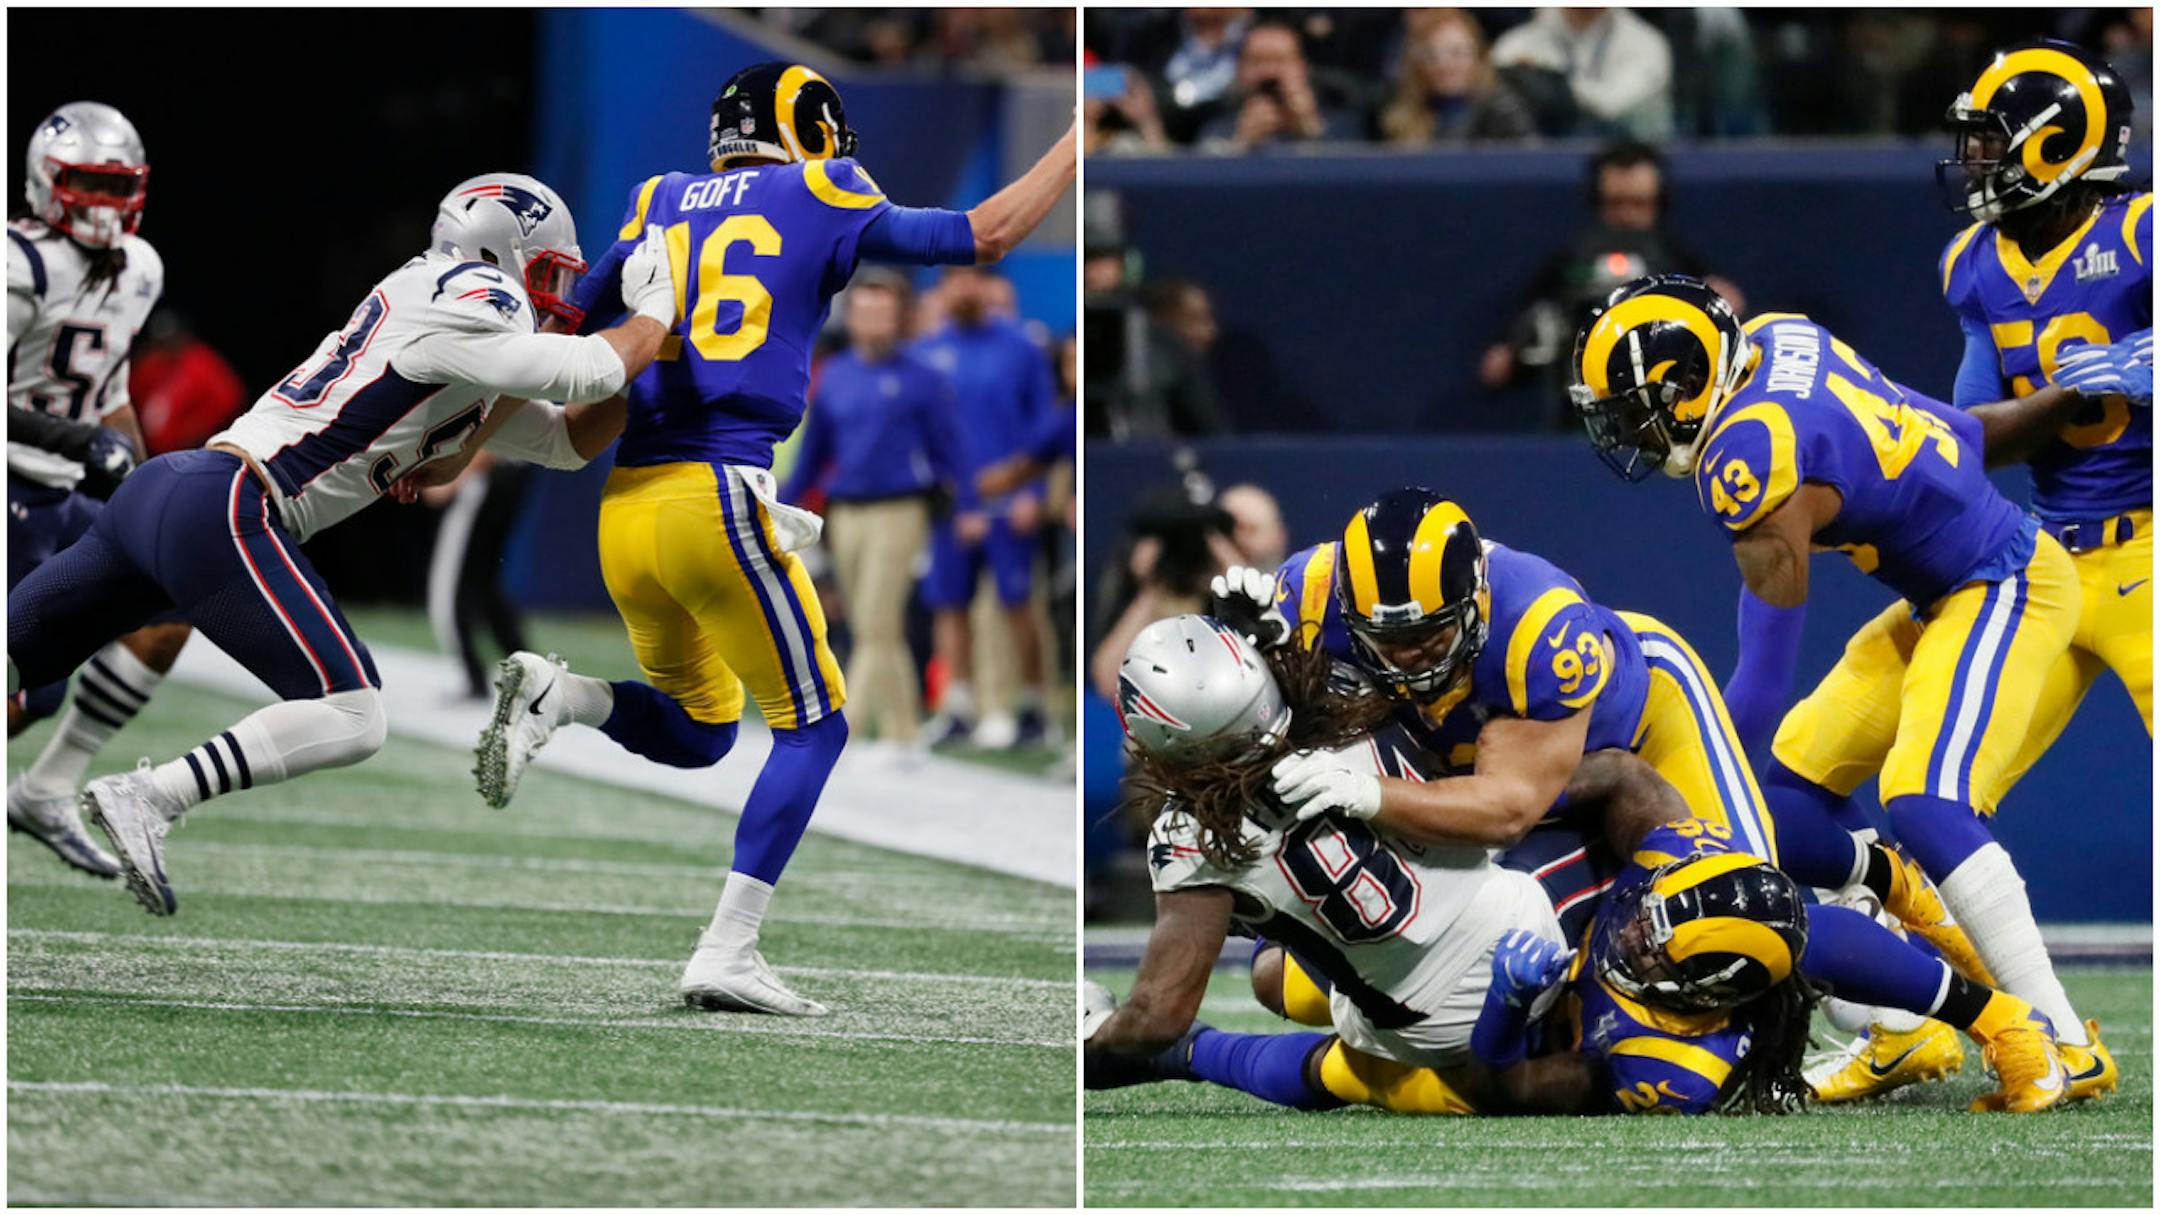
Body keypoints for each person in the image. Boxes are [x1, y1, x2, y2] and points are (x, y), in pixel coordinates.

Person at [475, 62, 1076, 1015]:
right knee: (817, 725)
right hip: (719, 493)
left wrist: (464, 438)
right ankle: (728, 947)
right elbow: (986, 233)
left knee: (704, 733)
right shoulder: (821, 185)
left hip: (626, 505)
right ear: (806, 129)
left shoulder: (657, 200)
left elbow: (560, 327)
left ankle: (567, 694)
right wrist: (1081, 136)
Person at [8, 170, 672, 917]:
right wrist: (655, 308)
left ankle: (82, 790)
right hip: (228, 504)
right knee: (354, 713)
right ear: (502, 249)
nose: (556, 296)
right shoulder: (472, 296)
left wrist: (648, 382)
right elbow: (591, 366)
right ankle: (152, 794)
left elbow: (562, 441)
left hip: (174, 492)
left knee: (16, 657)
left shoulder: (446, 317)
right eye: (548, 272)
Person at [1086, 616, 2064, 1115]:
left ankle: (1184, 1060)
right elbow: (1789, 927)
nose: (1632, 925)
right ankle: (1893, 890)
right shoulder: (1678, 986)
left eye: (1645, 938)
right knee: (1283, 981)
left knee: (1350, 1060)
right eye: (1646, 917)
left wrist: (1511, 996)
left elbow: (1506, 1082)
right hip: (1476, 931)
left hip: (1460, 996)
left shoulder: (1664, 1063)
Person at [1568, 273, 2134, 1103]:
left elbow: (1763, 675)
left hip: (2006, 580)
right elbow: (1953, 433)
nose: (1626, 431)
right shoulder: (1779, 335)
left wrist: (1683, 798)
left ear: (1686, 385)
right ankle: (1899, 1026)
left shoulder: (1746, 455)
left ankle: (2057, 1031)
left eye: (1630, 407)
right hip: (1943, 592)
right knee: (1786, 789)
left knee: (1924, 798)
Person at [1211, 489, 1981, 984]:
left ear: (1474, 600)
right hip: (1495, 780)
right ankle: (1857, 866)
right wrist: (1252, 658)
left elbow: (1509, 804)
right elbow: (1242, 722)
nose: (1407, 657)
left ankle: (1958, 988)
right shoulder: (1308, 600)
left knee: (1738, 911)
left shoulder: (1541, 624)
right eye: (1387, 636)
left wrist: (1372, 792)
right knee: (1296, 984)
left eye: (1428, 634)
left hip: (1635, 723)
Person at [6, 102, 183, 878]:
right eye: (86, 183)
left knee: (170, 604)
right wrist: (76, 442)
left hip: (64, 496)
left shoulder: (141, 268)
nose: (104, 205)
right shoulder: (19, 262)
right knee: (26, 688)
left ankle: (46, 789)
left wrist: (146, 494)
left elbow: (107, 389)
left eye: (118, 186)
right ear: (48, 183)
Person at [780, 273, 973, 750]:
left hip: (901, 508)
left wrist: (967, 506)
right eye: (864, 311)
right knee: (874, 627)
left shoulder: (923, 378)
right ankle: (904, 731)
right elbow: (814, 453)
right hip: (845, 512)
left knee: (876, 619)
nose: (873, 321)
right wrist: (783, 501)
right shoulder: (834, 375)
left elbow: (951, 451)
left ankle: (845, 727)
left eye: (883, 311)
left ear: (901, 317)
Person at [1477, 140, 1742, 426]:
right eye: (1615, 203)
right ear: (1596, 201)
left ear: (1659, 202)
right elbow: (1516, 339)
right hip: (1584, 413)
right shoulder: (1569, 261)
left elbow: (1729, 311)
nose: (1627, 216)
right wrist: (1511, 351)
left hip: (1664, 414)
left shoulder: (1681, 261)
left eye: (1639, 203)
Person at [913, 264, 1061, 750]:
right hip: (953, 506)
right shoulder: (928, 352)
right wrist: (948, 500)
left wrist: (1031, 494)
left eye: (971, 277)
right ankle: (957, 706)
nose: (962, 287)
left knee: (1018, 606)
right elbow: (926, 439)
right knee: (949, 606)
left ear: (987, 285)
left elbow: (1044, 424)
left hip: (1008, 503)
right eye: (953, 278)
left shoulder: (1021, 348)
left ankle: (1034, 708)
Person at [421, 449, 534, 701]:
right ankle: (530, 675)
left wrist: (453, 479)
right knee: (484, 582)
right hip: (513, 470)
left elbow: (496, 422)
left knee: (449, 584)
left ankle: (473, 675)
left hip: (486, 477)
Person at [1489, 7, 1675, 140]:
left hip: (1622, 165)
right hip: (1538, 163)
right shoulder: (1515, 44)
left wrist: (1546, 81)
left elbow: (1611, 105)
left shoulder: (1647, 44)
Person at [1194, 20, 1362, 153]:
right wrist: (1239, 145)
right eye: (1257, 61)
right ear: (1240, 70)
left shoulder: (1343, 126)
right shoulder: (1217, 131)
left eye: (1279, 60)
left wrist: (1311, 129)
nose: (1269, 72)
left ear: (1302, 67)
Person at [1377, 9, 1536, 147]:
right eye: (1432, 55)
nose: (1445, 65)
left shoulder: (1503, 113)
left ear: (1478, 57)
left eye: (1457, 53)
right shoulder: (1400, 120)